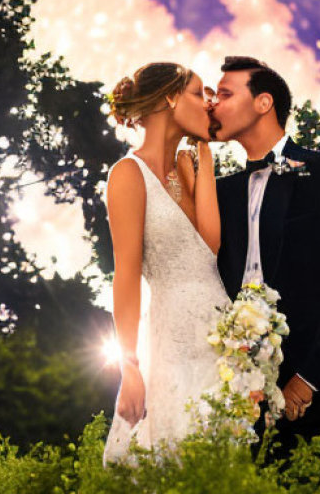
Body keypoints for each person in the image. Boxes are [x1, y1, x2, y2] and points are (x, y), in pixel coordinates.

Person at [210, 56, 320, 474]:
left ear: (264, 102)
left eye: (225, 93)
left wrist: (308, 379)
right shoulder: (217, 194)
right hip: (240, 411)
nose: (213, 104)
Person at [103, 62, 228, 464]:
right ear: (171, 97)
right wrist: (129, 366)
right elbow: (125, 276)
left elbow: (208, 249)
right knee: (176, 453)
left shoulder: (189, 168)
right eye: (198, 93)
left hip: (220, 335)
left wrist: (204, 158)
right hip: (172, 337)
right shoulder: (127, 174)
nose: (208, 104)